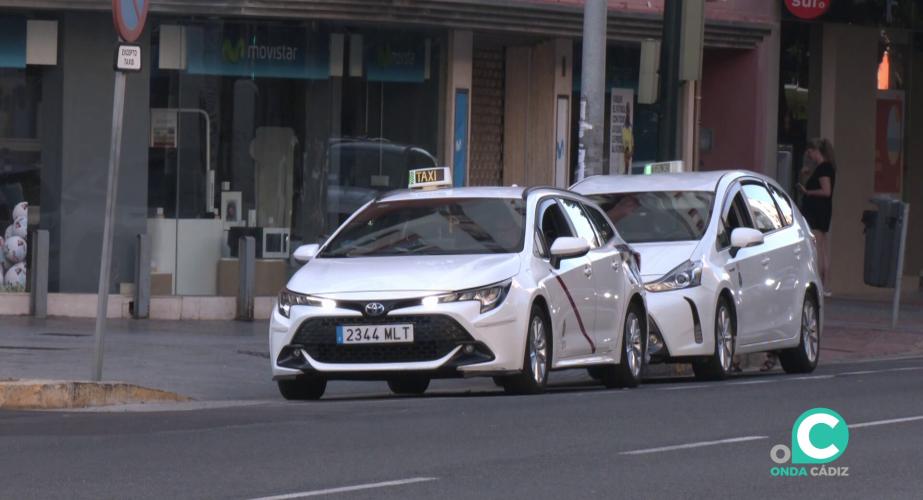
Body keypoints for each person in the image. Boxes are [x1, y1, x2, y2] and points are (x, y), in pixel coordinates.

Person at [797, 138, 836, 297]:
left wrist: (808, 192)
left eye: (810, 153)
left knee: (818, 247)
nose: (809, 157)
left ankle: (821, 284)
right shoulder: (824, 168)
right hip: (821, 211)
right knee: (822, 247)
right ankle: (825, 285)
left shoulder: (823, 168)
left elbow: (826, 191)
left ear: (816, 151)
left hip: (817, 211)